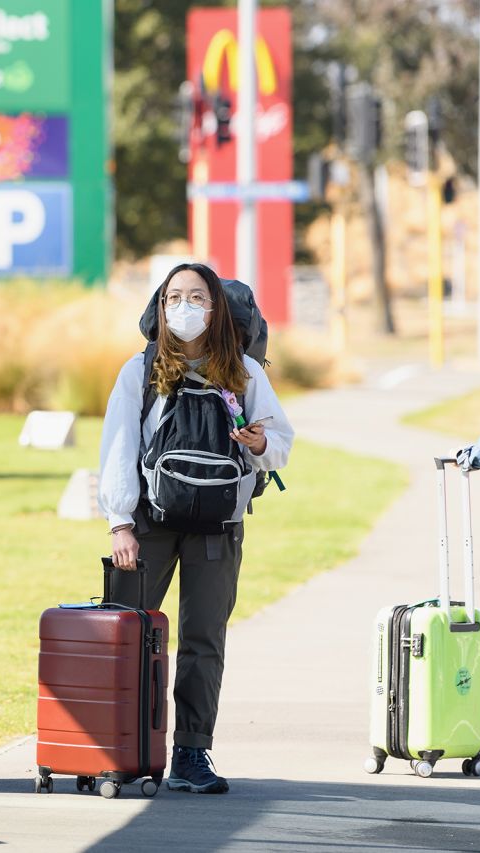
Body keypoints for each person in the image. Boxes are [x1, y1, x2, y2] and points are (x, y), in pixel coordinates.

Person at [97, 262, 294, 795]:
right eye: (174, 297)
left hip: (217, 528)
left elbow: (280, 444)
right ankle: (120, 746)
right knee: (126, 636)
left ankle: (190, 752)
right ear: (160, 308)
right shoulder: (138, 371)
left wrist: (257, 444)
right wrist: (120, 524)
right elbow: (118, 447)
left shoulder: (246, 373)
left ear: (218, 310)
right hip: (147, 527)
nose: (185, 307)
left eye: (197, 297)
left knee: (204, 641)